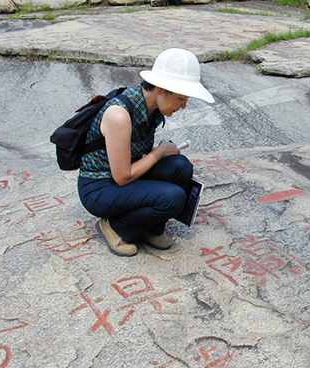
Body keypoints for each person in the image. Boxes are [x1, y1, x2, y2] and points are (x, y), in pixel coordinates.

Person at [77, 48, 215, 256]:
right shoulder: (119, 115)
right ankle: (117, 227)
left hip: (122, 180)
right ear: (161, 89)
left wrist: (162, 152)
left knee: (181, 167)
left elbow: (133, 152)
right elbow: (122, 177)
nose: (184, 106)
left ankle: (150, 228)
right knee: (173, 198)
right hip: (100, 187)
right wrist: (158, 153)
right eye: (180, 99)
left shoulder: (152, 109)